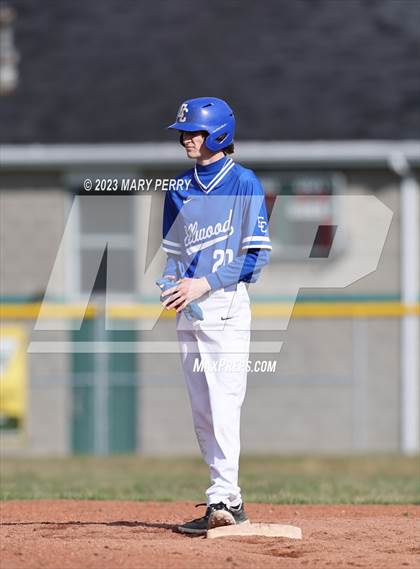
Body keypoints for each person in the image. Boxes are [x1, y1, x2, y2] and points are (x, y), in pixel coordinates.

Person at [160, 97, 271, 535]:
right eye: (184, 133)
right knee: (202, 410)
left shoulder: (243, 182)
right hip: (189, 307)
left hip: (225, 306)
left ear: (219, 134)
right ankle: (226, 500)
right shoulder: (178, 187)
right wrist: (171, 283)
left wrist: (203, 283)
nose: (186, 139)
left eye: (194, 132)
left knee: (224, 404)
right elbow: (174, 254)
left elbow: (255, 258)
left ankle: (223, 497)